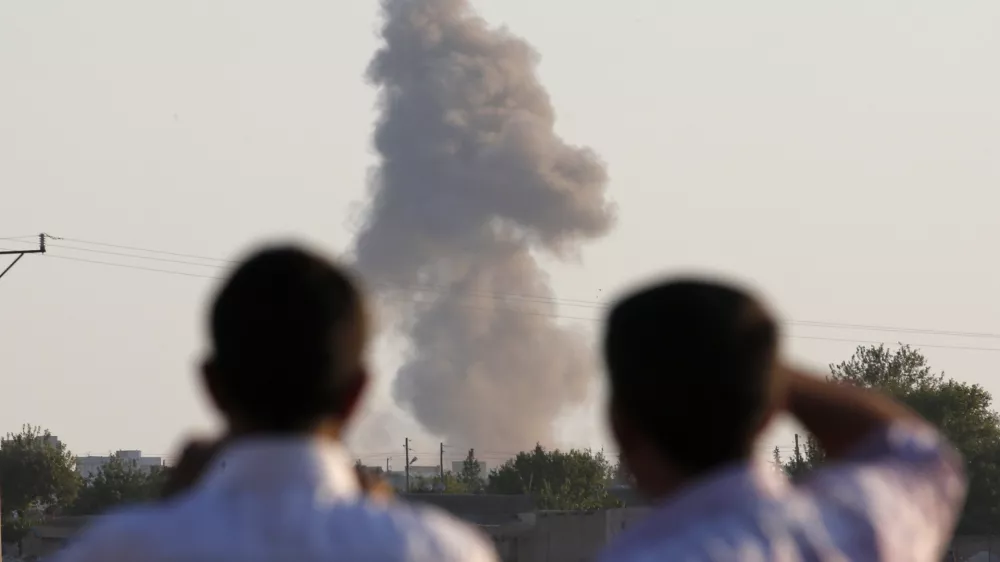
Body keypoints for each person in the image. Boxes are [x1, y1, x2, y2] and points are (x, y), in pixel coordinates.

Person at [52, 245, 498, 562]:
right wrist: (389, 523)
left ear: (212, 386)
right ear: (356, 393)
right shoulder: (445, 550)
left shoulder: (120, 548)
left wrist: (166, 516)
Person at [598, 279, 967, 561]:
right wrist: (749, 367)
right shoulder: (851, 527)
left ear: (620, 425)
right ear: (769, 412)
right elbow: (915, 453)